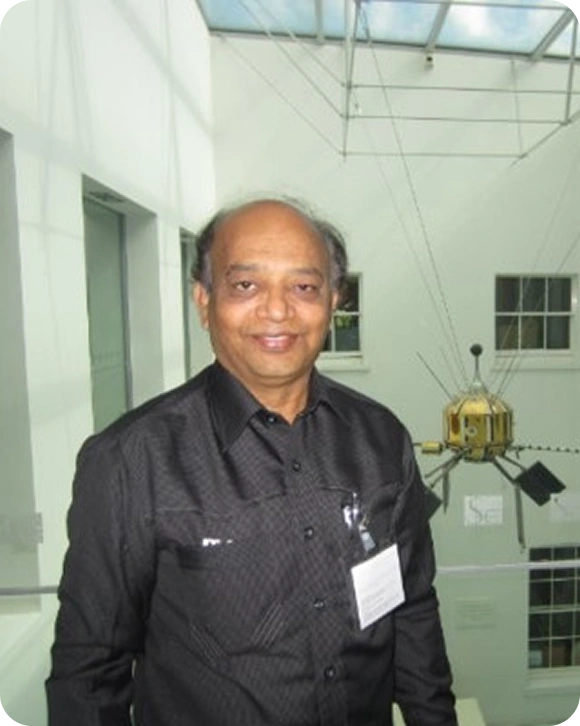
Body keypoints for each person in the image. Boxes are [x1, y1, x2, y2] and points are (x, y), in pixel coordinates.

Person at [46, 197, 458, 726]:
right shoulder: (133, 461)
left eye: (304, 287)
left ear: (334, 301)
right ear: (203, 300)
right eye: (245, 285)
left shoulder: (379, 439)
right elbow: (88, 675)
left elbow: (412, 609)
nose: (277, 310)